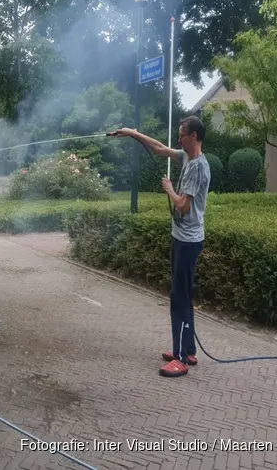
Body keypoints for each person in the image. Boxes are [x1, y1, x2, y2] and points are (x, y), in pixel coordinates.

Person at [114, 116, 210, 378]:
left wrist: (168, 188)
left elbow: (183, 205)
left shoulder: (198, 167)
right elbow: (158, 148)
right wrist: (133, 133)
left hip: (188, 241)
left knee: (179, 300)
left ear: (193, 136)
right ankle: (188, 350)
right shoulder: (186, 158)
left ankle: (180, 359)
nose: (177, 139)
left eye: (181, 135)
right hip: (183, 238)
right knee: (184, 297)